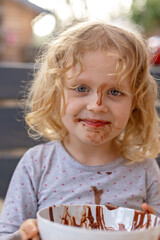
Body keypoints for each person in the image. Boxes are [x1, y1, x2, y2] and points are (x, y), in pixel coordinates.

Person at [0, 20, 160, 240]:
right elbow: (7, 235)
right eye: (81, 88)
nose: (97, 105)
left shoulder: (145, 170)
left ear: (135, 102)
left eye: (115, 91)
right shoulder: (36, 165)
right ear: (56, 94)